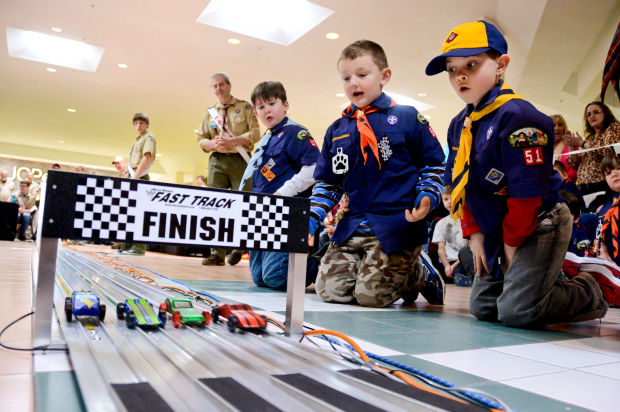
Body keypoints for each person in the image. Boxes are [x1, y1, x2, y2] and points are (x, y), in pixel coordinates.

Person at [426, 20, 607, 326]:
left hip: (538, 220)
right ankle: (540, 279)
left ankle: (589, 290)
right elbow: (462, 185)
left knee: (516, 311)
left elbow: (527, 195)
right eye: (452, 69)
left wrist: (511, 247)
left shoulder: (519, 117)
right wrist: (475, 233)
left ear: (501, 64)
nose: (460, 76)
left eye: (472, 64)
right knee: (484, 307)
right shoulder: (460, 125)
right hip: (497, 224)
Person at [309, 40, 446, 308]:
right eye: (346, 78)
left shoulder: (406, 117)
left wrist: (428, 194)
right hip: (351, 227)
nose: (353, 83)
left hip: (395, 226)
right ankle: (376, 269)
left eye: (362, 75)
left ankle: (418, 273)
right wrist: (312, 218)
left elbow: (435, 165)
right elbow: (327, 182)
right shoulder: (337, 129)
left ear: (384, 76)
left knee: (370, 298)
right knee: (329, 292)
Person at [239, 81, 320, 289]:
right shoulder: (266, 140)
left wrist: (283, 192)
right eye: (261, 107)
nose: (267, 110)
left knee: (276, 277)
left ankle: (322, 263)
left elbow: (313, 169)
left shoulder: (295, 133)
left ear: (285, 105)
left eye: (271, 104)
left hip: (285, 213)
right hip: (262, 213)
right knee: (259, 279)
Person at [197, 72, 261, 266]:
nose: (219, 89)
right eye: (215, 86)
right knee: (215, 205)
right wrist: (214, 144)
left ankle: (239, 246)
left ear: (229, 85)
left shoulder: (245, 107)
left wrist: (231, 140)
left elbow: (256, 133)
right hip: (217, 161)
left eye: (221, 85)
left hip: (240, 160)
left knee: (243, 205)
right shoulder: (210, 113)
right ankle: (216, 253)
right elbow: (201, 139)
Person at [566, 101, 620, 204]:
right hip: (584, 188)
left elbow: (609, 151)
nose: (592, 116)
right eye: (588, 114)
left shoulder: (613, 128)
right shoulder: (589, 138)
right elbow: (574, 164)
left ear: (605, 114)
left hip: (603, 184)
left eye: (596, 112)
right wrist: (571, 147)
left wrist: (583, 144)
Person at [119, 113, 156, 256]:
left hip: (140, 177)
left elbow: (146, 158)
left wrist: (134, 177)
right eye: (136, 123)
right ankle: (128, 245)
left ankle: (139, 247)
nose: (138, 126)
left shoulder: (149, 138)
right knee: (129, 213)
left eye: (141, 123)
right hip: (133, 176)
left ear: (147, 124)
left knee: (139, 213)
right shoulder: (137, 140)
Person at [431, 186, 467, 283]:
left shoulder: (467, 220)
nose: (449, 202)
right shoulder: (441, 223)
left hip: (463, 260)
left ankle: (463, 278)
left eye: (453, 197)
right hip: (448, 262)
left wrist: (455, 265)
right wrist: (447, 266)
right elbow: (441, 248)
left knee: (461, 269)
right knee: (436, 274)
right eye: (446, 199)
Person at [599, 154, 620, 265]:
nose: (614, 174)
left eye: (618, 168)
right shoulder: (604, 210)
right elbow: (598, 238)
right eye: (609, 173)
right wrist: (603, 252)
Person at [551, 114, 577, 182]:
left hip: (566, 186)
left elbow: (575, 169)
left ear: (564, 128)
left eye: (560, 125)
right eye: (553, 125)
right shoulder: (544, 148)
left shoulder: (571, 146)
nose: (557, 128)